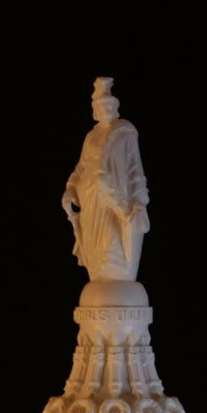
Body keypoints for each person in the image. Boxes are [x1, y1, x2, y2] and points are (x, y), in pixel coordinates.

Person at [62, 77, 150, 282]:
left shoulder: (124, 132)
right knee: (95, 246)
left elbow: (135, 168)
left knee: (113, 240)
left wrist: (139, 199)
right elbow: (81, 167)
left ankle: (117, 275)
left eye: (108, 105)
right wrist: (71, 188)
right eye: (100, 106)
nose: (105, 109)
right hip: (90, 198)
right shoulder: (91, 137)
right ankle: (101, 278)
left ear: (115, 106)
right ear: (94, 110)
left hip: (116, 198)